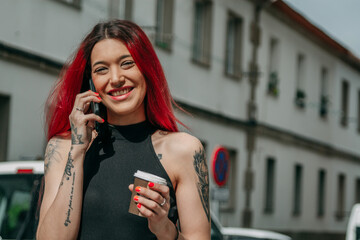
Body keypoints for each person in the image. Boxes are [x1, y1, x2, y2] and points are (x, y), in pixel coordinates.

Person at [36, 20, 210, 240]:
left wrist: (164, 228)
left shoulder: (184, 150)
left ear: (147, 69)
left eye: (127, 63)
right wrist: (78, 150)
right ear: (91, 82)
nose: (116, 79)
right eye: (101, 69)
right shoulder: (63, 148)